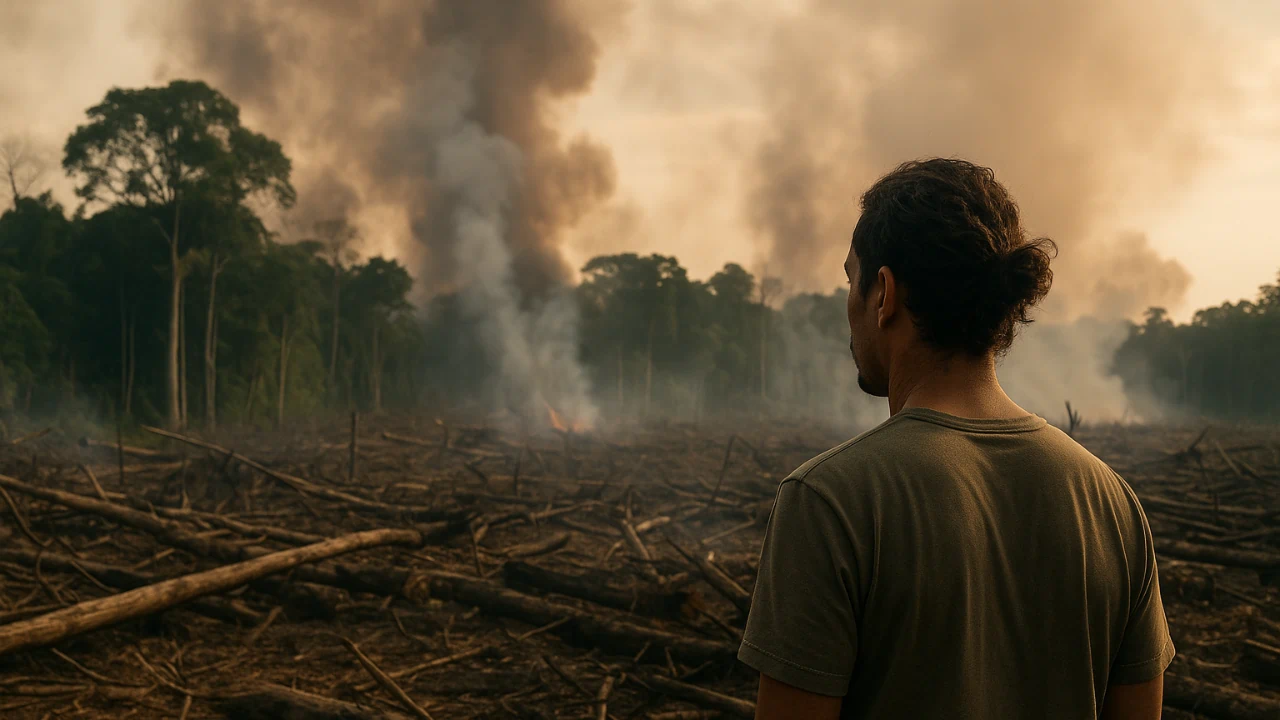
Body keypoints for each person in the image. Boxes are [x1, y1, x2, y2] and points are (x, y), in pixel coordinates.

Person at [738, 158, 1174, 719]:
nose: (848, 303)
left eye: (850, 279)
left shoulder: (830, 501)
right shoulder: (1111, 503)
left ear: (884, 293)